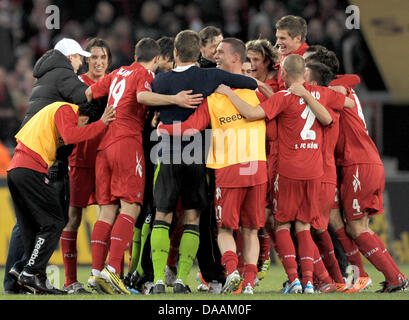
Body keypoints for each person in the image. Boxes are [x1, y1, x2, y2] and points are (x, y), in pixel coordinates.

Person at [215, 54, 355, 294]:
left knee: (281, 224)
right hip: (315, 172)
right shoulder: (322, 94)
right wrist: (319, 93)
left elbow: (251, 113)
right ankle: (310, 282)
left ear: (285, 74)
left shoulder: (284, 97)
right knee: (303, 227)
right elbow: (345, 106)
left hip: (289, 170)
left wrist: (228, 93)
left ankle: (294, 279)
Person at [85, 37, 204, 295]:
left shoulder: (117, 72)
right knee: (131, 207)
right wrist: (174, 100)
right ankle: (113, 271)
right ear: (156, 59)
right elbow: (142, 95)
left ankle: (96, 273)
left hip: (104, 145)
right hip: (127, 143)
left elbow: (88, 93)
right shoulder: (143, 74)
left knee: (107, 212)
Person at [149, 30, 258, 294]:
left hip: (167, 152)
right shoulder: (209, 76)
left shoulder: (160, 81)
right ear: (198, 54)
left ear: (175, 53)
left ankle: (158, 281)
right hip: (197, 153)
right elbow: (250, 84)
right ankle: (180, 281)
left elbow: (147, 100)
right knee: (193, 217)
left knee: (162, 215)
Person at [4, 37, 93, 294]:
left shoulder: (45, 76)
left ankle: (19, 277)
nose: (82, 62)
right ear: (68, 58)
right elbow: (81, 100)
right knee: (54, 220)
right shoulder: (64, 75)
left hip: (28, 155)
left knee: (28, 224)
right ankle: (28, 272)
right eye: (78, 57)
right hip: (45, 158)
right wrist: (101, 110)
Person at [7, 100, 115, 294]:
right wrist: (101, 124)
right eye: (85, 124)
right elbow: (71, 135)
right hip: (30, 168)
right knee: (56, 221)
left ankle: (24, 268)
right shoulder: (66, 110)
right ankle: (31, 271)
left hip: (16, 169)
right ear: (85, 118)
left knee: (32, 226)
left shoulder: (53, 112)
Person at [60, 38, 112, 294]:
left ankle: (104, 276)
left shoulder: (114, 84)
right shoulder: (77, 86)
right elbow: (75, 127)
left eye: (103, 57)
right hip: (79, 160)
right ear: (86, 60)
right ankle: (70, 281)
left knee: (108, 214)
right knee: (73, 218)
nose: (99, 62)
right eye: (94, 57)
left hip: (106, 160)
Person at [275, 15, 309, 90]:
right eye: (277, 38)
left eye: (282, 38)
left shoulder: (308, 59)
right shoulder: (283, 53)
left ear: (298, 38)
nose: (278, 42)